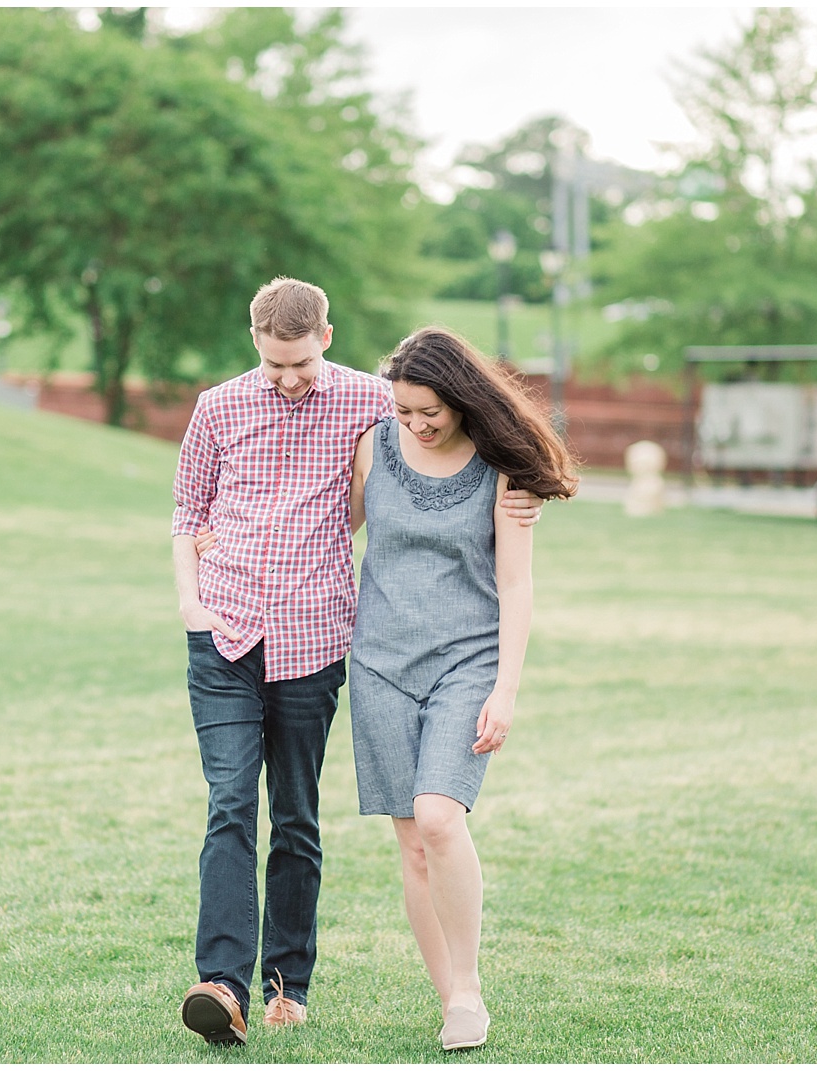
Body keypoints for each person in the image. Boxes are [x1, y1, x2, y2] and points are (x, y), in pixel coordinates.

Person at [170, 279, 543, 1046]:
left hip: (381, 649)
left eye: (300, 361)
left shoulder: (396, 413)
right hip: (297, 644)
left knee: (361, 817)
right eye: (274, 364)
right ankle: (234, 986)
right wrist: (205, 574)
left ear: (328, 338)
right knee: (271, 811)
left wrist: (526, 489)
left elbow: (506, 553)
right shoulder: (279, 417)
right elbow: (236, 513)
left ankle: (358, 987)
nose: (288, 377)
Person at [346, 326, 577, 1051]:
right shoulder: (372, 448)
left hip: (467, 661)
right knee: (412, 846)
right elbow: (329, 530)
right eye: (404, 409)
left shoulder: (501, 469)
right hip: (379, 664)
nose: (414, 423)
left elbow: (516, 582)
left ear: (461, 398)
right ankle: (453, 1003)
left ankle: (470, 983)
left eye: (429, 412)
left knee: (440, 816)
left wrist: (506, 687)